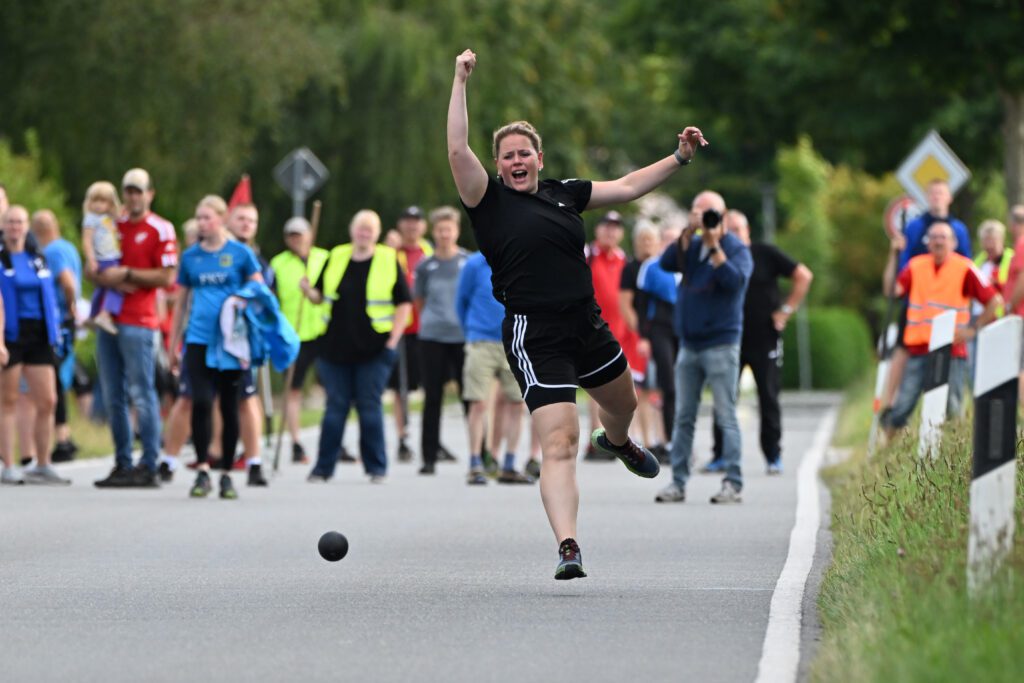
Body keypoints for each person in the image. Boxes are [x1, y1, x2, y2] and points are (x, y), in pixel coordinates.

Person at [448, 48, 705, 579]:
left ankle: (616, 442)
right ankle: (569, 545)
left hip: (585, 323)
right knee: (559, 441)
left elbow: (631, 186)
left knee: (623, 402)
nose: (516, 162)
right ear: (497, 165)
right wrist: (460, 80)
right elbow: (455, 148)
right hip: (533, 334)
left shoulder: (566, 194)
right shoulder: (486, 202)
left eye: (525, 153)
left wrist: (678, 157)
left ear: (539, 158)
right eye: (507, 156)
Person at [653, 193, 752, 505]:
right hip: (690, 345)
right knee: (683, 416)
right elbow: (666, 262)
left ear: (722, 217)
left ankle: (732, 483)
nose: (705, 219)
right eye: (698, 213)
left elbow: (734, 283)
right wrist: (687, 232)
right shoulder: (690, 247)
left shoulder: (737, 249)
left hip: (721, 343)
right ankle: (678, 482)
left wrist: (714, 245)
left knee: (726, 415)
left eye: (709, 214)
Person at [300, 210, 412, 484]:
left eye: (370, 229)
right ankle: (323, 467)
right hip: (334, 348)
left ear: (377, 232)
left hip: (374, 348)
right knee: (335, 407)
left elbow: (403, 303)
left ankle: (376, 466)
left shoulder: (388, 258)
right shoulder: (336, 256)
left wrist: (393, 340)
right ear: (352, 231)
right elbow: (319, 296)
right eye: (360, 228)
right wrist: (308, 290)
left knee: (369, 406)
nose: (364, 233)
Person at [706, 210, 813, 475]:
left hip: (764, 337)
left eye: (738, 229)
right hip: (730, 337)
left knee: (768, 396)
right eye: (728, 230)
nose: (734, 234)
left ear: (748, 231)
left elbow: (803, 275)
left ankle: (773, 455)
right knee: (725, 396)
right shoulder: (718, 257)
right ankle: (720, 455)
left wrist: (786, 310)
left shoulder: (765, 253)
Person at [171, 195, 263, 499]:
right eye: (198, 218)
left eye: (207, 217)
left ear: (222, 219)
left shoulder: (240, 253)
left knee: (228, 404)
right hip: (198, 338)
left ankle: (225, 471)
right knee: (199, 401)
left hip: (231, 342)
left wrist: (244, 301)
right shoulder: (191, 256)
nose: (201, 223)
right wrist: (174, 343)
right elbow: (182, 301)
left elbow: (258, 287)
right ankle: (202, 470)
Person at [93, 168, 178, 489]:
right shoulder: (110, 226)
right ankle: (123, 462)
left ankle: (150, 463)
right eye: (128, 191)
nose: (133, 197)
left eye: (138, 191)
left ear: (150, 194)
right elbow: (97, 269)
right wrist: (106, 277)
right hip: (108, 318)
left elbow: (167, 277)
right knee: (114, 395)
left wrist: (127, 273)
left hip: (140, 321)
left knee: (142, 393)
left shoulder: (160, 228)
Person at [881, 222, 999, 438]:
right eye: (933, 237)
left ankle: (952, 456)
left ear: (953, 242)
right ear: (928, 243)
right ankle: (885, 457)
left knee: (952, 407)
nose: (938, 241)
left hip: (952, 350)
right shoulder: (916, 266)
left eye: (943, 237)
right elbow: (891, 290)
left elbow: (994, 301)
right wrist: (893, 255)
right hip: (918, 349)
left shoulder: (965, 268)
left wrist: (973, 329)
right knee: (902, 406)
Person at [881, 179, 973, 415]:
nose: (936, 198)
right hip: (916, 306)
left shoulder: (958, 229)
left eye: (941, 193)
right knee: (902, 349)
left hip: (947, 309)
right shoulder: (916, 227)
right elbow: (903, 269)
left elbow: (966, 268)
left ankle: (952, 427)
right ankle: (889, 403)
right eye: (932, 194)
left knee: (949, 376)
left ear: (948, 197)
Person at [0, 206, 73, 485]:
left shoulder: (37, 259)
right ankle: (8, 464)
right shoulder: (2, 259)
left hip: (39, 333)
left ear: (27, 226)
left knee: (48, 399)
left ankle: (42, 462)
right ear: (4, 226)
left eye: (20, 222)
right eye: (10, 222)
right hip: (11, 333)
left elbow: (53, 295)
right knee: (8, 401)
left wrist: (59, 327)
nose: (16, 227)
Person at [456, 250, 535, 485]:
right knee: (478, 402)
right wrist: (471, 332)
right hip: (482, 341)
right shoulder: (474, 264)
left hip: (513, 340)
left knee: (516, 403)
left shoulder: (518, 258)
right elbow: (461, 301)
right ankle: (475, 462)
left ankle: (509, 463)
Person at [270, 216, 330, 464]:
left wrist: (311, 291)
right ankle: (295, 442)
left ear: (309, 235)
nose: (296, 240)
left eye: (300, 234)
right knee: (292, 390)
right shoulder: (278, 263)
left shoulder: (325, 258)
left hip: (323, 331)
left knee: (333, 389)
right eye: (291, 235)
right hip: (293, 335)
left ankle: (332, 439)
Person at [414, 206, 469, 475]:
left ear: (456, 231)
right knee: (432, 397)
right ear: (434, 232)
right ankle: (428, 456)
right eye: (440, 230)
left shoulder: (467, 262)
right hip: (432, 336)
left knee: (470, 397)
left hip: (461, 336)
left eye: (449, 229)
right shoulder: (425, 266)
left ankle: (478, 456)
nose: (445, 234)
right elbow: (420, 301)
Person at [224, 202, 272, 483]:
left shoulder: (256, 260)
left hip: (243, 336)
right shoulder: (219, 251)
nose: (246, 224)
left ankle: (254, 460)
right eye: (240, 218)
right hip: (218, 335)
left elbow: (263, 295)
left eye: (251, 221)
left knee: (246, 396)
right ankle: (220, 452)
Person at [31, 209, 82, 463]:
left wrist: (70, 307)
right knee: (59, 378)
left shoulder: (51, 251)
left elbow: (68, 282)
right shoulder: (69, 247)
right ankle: (63, 435)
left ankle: (62, 438)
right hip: (65, 322)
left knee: (54, 379)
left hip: (59, 322)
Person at [617, 222, 669, 460]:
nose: (647, 244)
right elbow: (626, 305)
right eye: (643, 239)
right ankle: (648, 440)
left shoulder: (664, 268)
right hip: (642, 338)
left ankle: (666, 438)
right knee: (645, 390)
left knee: (665, 388)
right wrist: (643, 333)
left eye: (651, 239)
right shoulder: (631, 269)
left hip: (666, 335)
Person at [582, 210, 629, 460]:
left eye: (615, 227)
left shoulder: (624, 259)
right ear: (598, 229)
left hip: (620, 332)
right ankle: (596, 438)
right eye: (606, 226)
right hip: (594, 329)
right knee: (596, 388)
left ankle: (610, 438)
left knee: (617, 390)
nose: (611, 231)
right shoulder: (588, 255)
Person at [388, 205, 433, 463]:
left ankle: (429, 436)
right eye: (407, 221)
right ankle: (403, 436)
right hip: (401, 327)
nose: (412, 226)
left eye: (416, 221)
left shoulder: (428, 251)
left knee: (428, 384)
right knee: (400, 387)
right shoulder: (391, 253)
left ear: (422, 226)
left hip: (425, 327)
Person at [81, 181, 124, 335]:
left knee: (102, 288)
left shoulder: (109, 218)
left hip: (112, 255)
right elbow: (87, 241)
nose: (99, 205)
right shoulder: (91, 219)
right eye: (95, 201)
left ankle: (93, 315)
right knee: (117, 286)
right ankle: (105, 314)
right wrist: (91, 259)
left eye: (103, 201)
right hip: (104, 258)